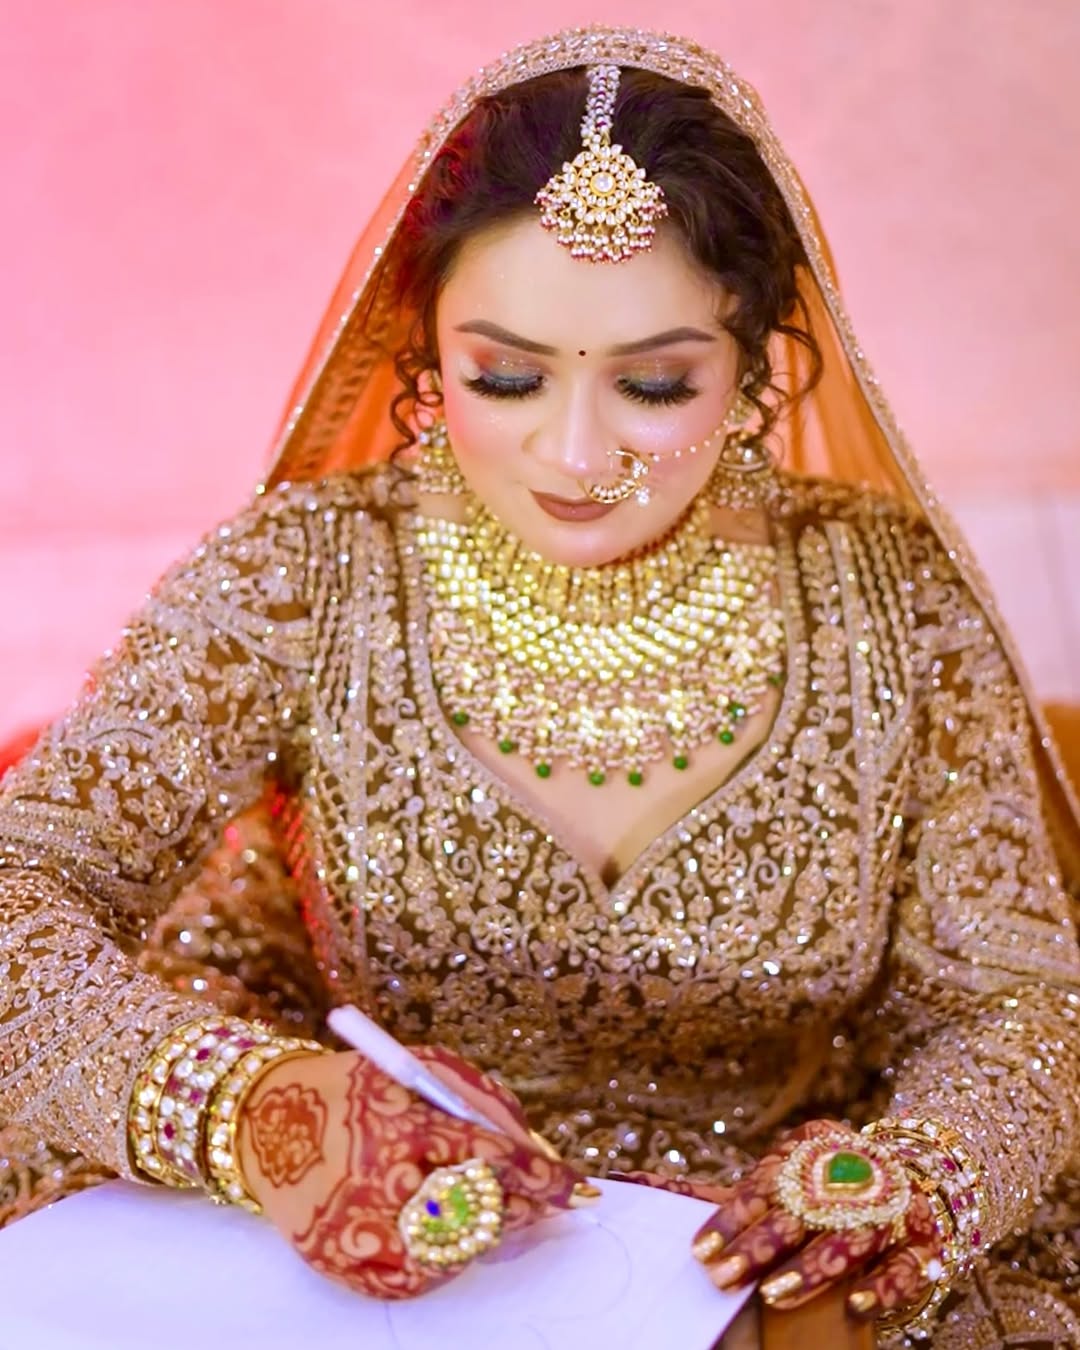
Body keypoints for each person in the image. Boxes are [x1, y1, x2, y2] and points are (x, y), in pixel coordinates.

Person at [1, 24, 1079, 1349]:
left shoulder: (886, 599)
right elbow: (19, 886)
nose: (573, 453)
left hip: (761, 1278)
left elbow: (1016, 1006)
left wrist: (897, 1190)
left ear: (755, 366)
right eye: (505, 376)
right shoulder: (310, 574)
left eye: (655, 383)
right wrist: (261, 1111)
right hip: (372, 1247)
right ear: (422, 350)